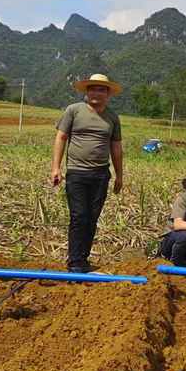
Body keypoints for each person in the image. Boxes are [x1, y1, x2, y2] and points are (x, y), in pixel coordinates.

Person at [50, 73, 123, 273]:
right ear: (87, 91)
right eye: (93, 88)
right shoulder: (74, 111)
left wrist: (119, 175)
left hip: (101, 174)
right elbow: (61, 138)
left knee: (92, 217)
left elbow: (115, 147)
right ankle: (74, 261)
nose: (96, 93)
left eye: (101, 89)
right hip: (77, 173)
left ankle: (83, 259)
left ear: (108, 94)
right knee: (79, 216)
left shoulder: (112, 117)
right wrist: (56, 168)